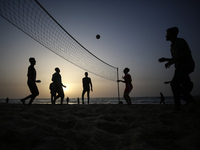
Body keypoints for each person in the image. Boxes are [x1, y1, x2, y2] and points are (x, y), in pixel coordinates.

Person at [158, 27, 195, 110]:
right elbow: (177, 57)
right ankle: (184, 103)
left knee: (174, 85)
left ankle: (189, 102)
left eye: (167, 33)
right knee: (182, 85)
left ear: (172, 34)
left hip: (185, 66)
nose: (166, 35)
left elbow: (186, 53)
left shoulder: (180, 41)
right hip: (180, 67)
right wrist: (166, 59)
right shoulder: (173, 45)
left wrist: (172, 61)